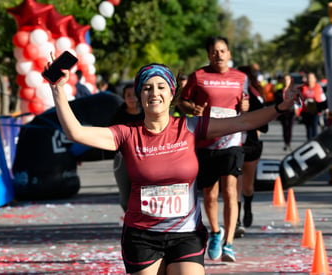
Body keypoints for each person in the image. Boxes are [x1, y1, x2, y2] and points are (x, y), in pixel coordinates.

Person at [49, 62, 297, 274]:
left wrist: (280, 108)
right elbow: (76, 132)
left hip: (186, 234)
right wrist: (58, 90)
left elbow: (242, 121)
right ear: (139, 95)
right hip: (142, 236)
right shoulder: (126, 134)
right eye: (146, 88)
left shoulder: (190, 127)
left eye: (160, 87)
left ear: (171, 93)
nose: (153, 93)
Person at [177, 36, 249, 262]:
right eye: (214, 52)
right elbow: (182, 102)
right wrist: (193, 108)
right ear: (209, 55)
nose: (218, 55)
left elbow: (246, 103)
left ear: (229, 53)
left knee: (229, 189)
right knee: (210, 194)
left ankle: (229, 243)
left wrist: (245, 106)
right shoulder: (199, 76)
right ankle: (216, 232)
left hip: (232, 141)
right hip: (206, 142)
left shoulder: (241, 77)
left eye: (222, 51)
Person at [234, 65, 269, 238]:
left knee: (247, 186)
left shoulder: (255, 97)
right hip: (232, 144)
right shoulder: (228, 95)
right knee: (235, 185)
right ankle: (236, 220)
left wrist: (248, 117)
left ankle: (247, 207)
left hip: (251, 144)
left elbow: (265, 126)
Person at [111, 83, 144, 212]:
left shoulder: (147, 114)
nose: (132, 98)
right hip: (124, 158)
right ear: (124, 98)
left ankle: (144, 223)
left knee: (145, 195)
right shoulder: (118, 116)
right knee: (126, 198)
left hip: (145, 157)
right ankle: (129, 218)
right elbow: (111, 135)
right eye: (128, 95)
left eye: (134, 95)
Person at [298, 72, 326, 140]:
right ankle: (309, 141)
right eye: (308, 78)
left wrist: (326, 110)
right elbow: (299, 100)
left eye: (311, 78)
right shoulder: (303, 88)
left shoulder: (318, 87)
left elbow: (323, 98)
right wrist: (298, 110)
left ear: (315, 79)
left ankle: (314, 141)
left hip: (315, 111)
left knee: (314, 127)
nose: (310, 80)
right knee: (308, 128)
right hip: (306, 111)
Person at [274, 74, 297, 151]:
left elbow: (298, 101)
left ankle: (288, 143)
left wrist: (297, 109)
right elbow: (277, 102)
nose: (286, 81)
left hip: (291, 111)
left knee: (290, 127)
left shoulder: (294, 91)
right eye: (285, 79)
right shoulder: (279, 91)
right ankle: (285, 142)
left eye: (288, 79)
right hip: (283, 112)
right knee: (284, 128)